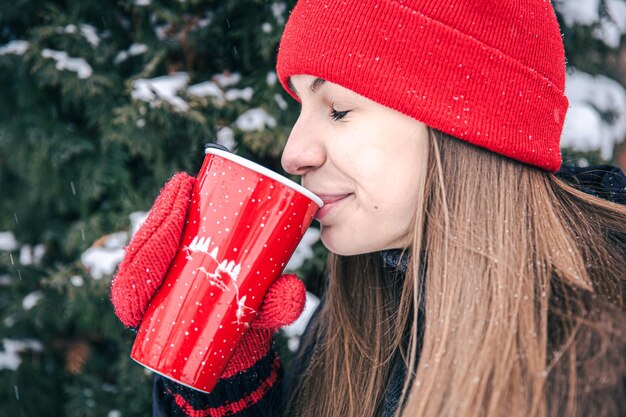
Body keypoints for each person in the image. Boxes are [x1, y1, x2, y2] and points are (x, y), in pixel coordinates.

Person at [110, 1, 626, 416]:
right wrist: (225, 379)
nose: (294, 154)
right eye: (302, 109)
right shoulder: (354, 326)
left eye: (337, 109)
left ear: (465, 128)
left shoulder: (605, 339)